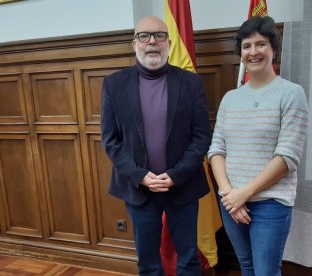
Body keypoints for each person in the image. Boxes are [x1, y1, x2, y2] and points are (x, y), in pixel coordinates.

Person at [101, 16, 211, 276]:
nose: (152, 41)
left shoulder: (191, 83)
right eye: (144, 36)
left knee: (188, 260)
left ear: (169, 43)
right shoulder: (114, 85)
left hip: (182, 186)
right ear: (134, 43)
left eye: (159, 36)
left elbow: (201, 136)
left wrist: (175, 175)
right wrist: (140, 176)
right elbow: (111, 140)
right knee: (148, 263)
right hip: (140, 190)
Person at [207, 16, 308, 276]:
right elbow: (216, 149)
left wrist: (244, 194)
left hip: (270, 204)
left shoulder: (292, 93)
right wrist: (230, 195)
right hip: (231, 202)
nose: (253, 52)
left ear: (274, 49)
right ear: (240, 53)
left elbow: (287, 157)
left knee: (265, 271)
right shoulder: (231, 98)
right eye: (247, 46)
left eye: (260, 44)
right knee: (247, 266)